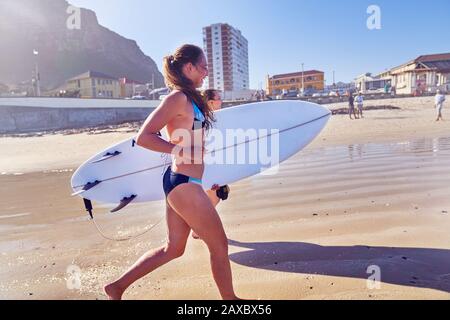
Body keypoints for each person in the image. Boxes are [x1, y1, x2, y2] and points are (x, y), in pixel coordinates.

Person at [104, 44, 241, 300]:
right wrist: (177, 150)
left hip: (184, 181)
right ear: (188, 67)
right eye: (203, 67)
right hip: (183, 184)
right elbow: (144, 136)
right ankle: (230, 301)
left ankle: (117, 287)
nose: (206, 73)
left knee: (173, 249)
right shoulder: (177, 98)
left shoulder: (191, 99)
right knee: (219, 245)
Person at [189, 89, 230, 240]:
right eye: (219, 98)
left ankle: (198, 227)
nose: (221, 101)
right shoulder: (200, 118)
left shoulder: (219, 119)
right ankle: (197, 228)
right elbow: (198, 144)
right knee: (215, 196)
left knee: (218, 195)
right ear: (211, 102)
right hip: (205, 166)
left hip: (214, 165)